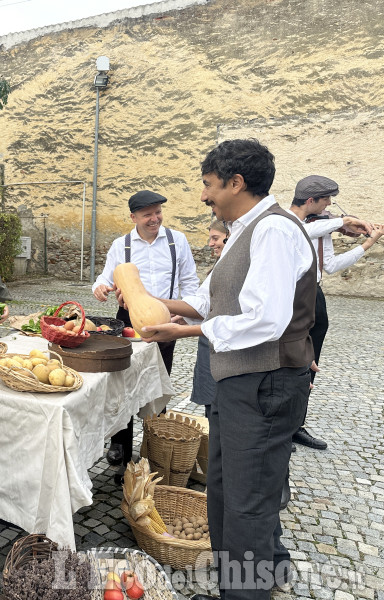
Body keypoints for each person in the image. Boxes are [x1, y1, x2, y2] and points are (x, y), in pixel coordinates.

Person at [141, 139, 316, 599]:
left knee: (246, 503)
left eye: (208, 185)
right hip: (238, 381)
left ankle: (246, 592)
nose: (204, 196)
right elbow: (207, 301)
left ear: (236, 183)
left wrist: (189, 333)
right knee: (224, 492)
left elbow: (266, 319)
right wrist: (156, 306)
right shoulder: (244, 229)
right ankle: (267, 572)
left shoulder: (274, 230)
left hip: (267, 381)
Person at [92, 190, 199, 467]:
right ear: (133, 217)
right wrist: (101, 288)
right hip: (127, 320)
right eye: (147, 214)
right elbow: (104, 277)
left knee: (157, 381)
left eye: (158, 212)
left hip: (165, 320)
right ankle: (120, 442)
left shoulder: (178, 241)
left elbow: (189, 282)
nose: (155, 218)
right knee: (123, 385)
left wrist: (185, 317)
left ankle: (154, 443)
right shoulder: (121, 244)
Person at [288, 175, 380, 450]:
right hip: (289, 294)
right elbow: (301, 231)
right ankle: (279, 424)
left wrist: (366, 244)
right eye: (327, 199)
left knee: (310, 358)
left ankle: (296, 425)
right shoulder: (285, 220)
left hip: (313, 293)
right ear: (311, 200)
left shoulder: (323, 225)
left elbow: (329, 266)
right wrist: (343, 222)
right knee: (287, 358)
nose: (331, 205)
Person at [189, 220, 228, 419]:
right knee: (210, 405)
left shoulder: (234, 267)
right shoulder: (220, 264)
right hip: (209, 341)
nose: (211, 243)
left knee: (219, 406)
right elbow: (203, 302)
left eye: (216, 238)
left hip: (222, 342)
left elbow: (204, 305)